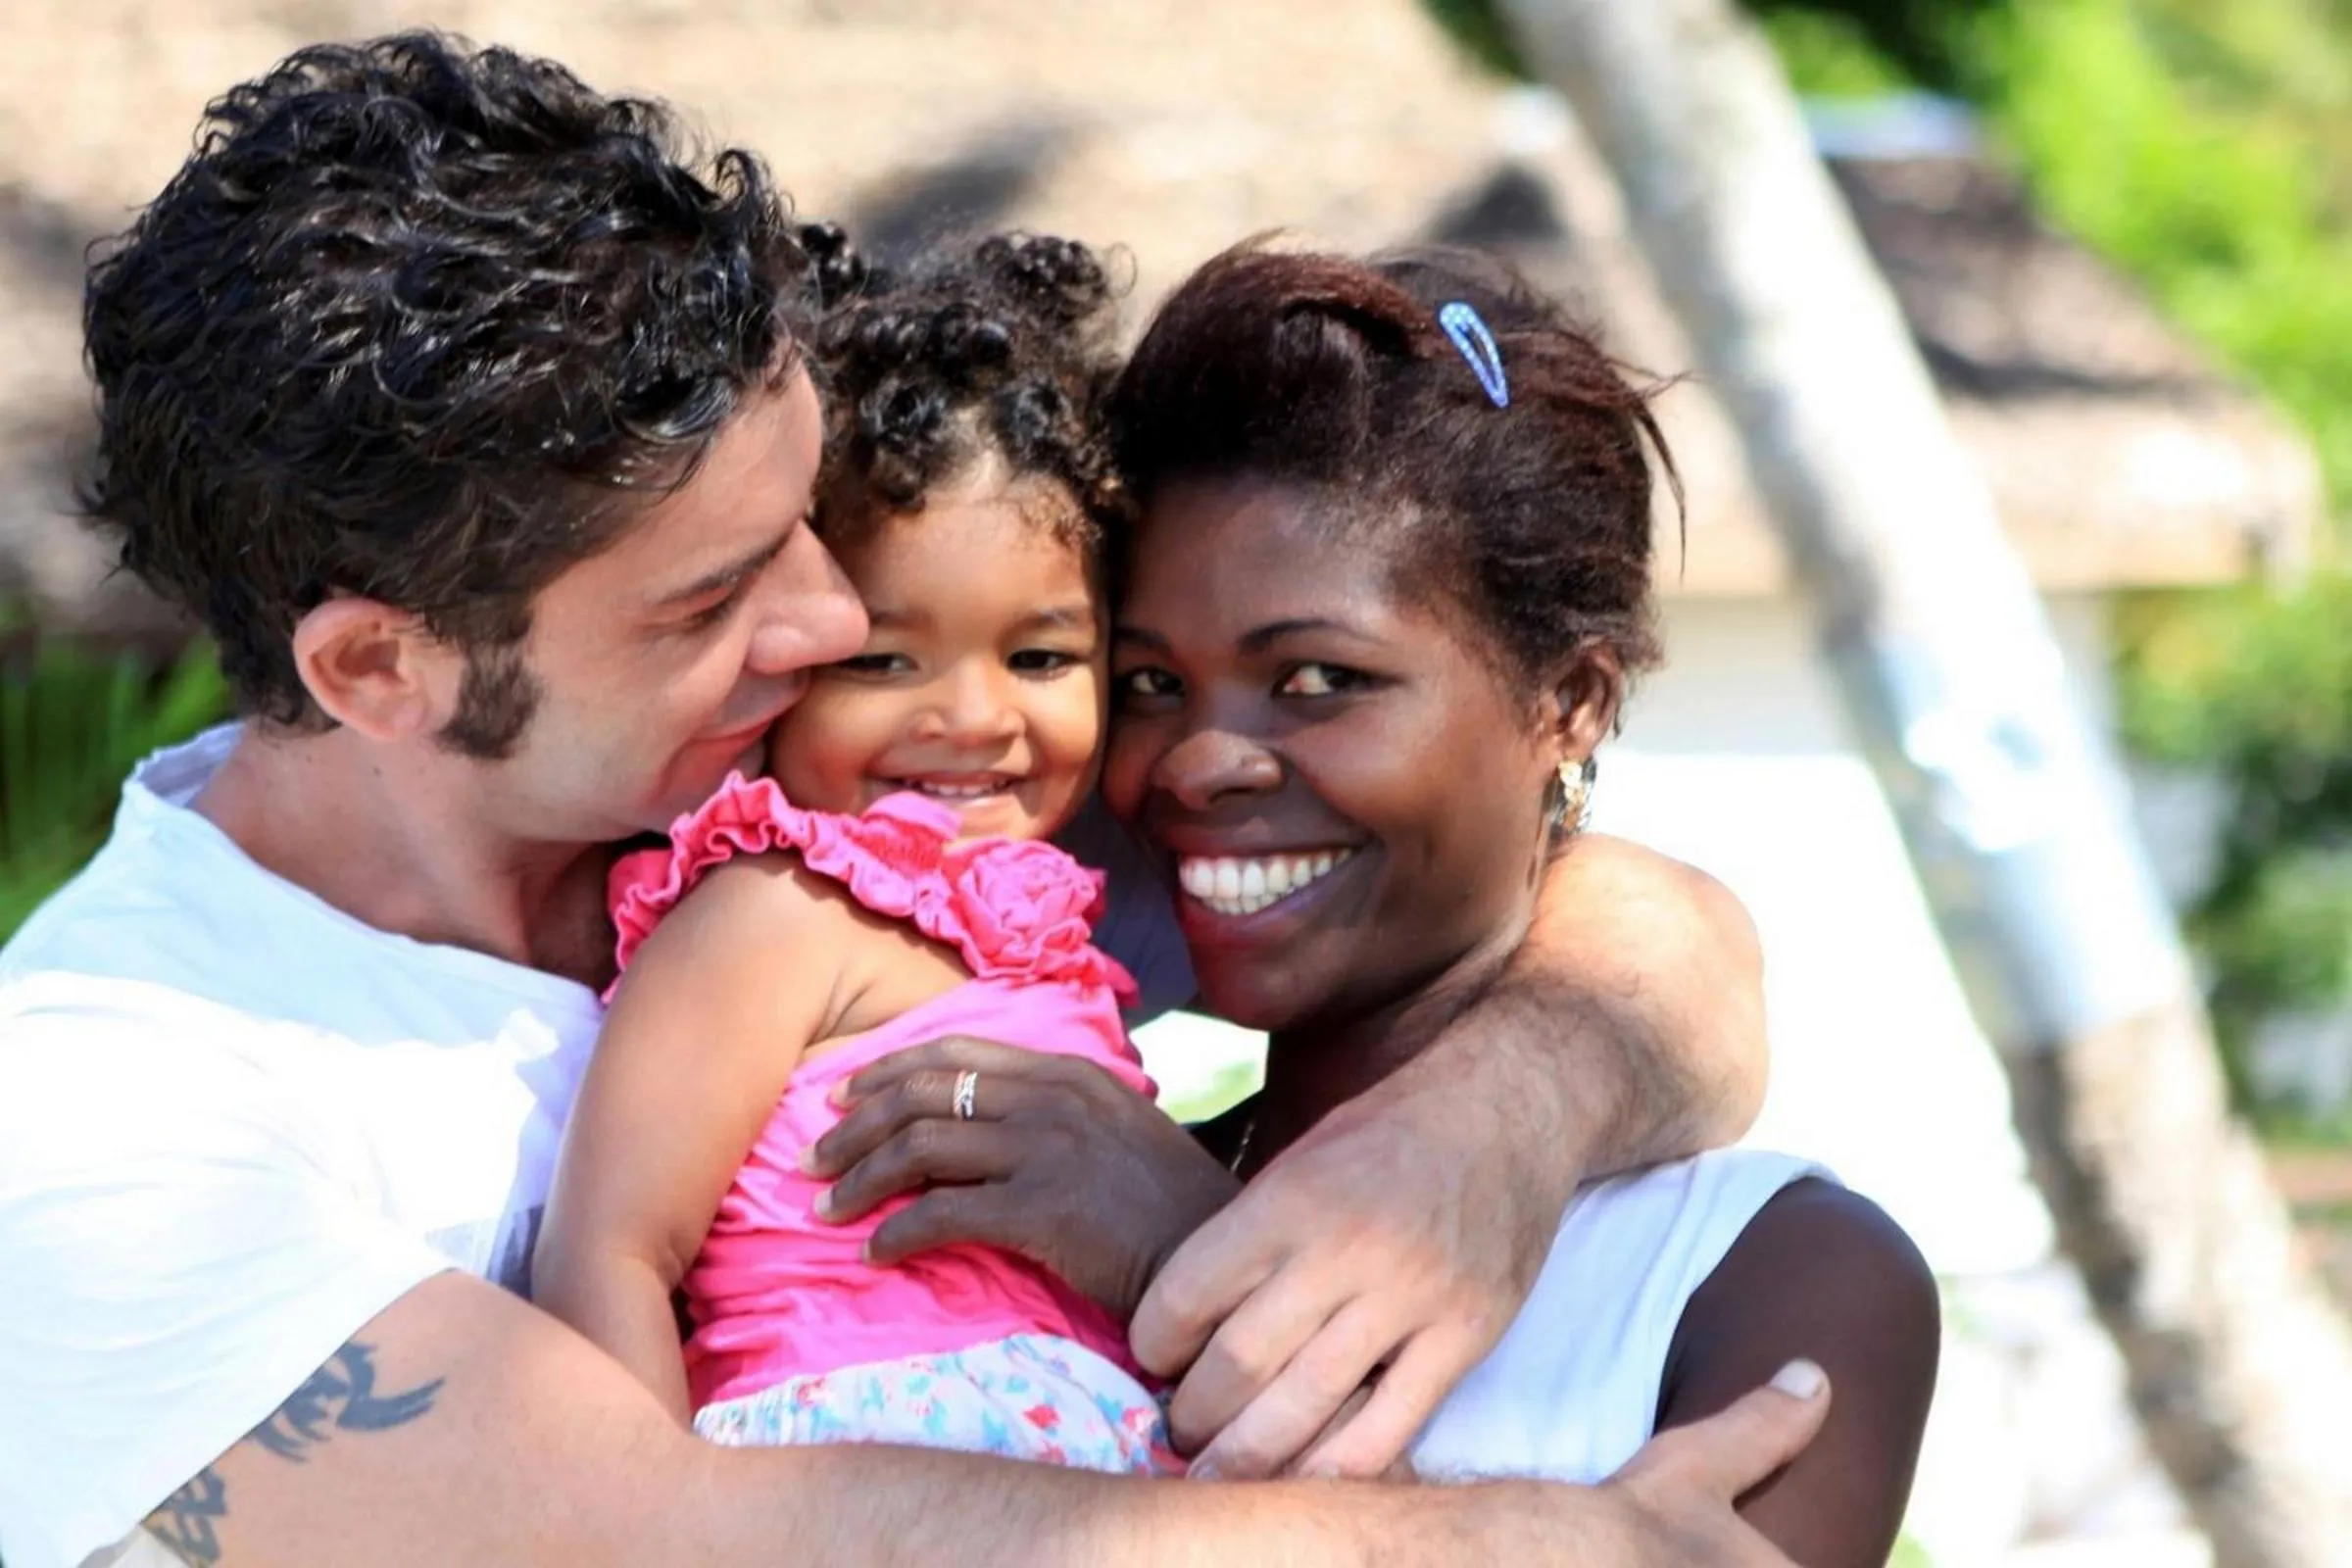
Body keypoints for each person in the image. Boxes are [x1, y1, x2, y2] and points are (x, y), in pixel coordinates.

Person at [0, 33, 1810, 1568]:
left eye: (806, 520)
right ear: (380, 672)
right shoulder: (107, 1127)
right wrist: (1518, 1541)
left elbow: (1652, 932)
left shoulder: (814, 793)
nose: (828, 619)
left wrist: (1482, 1135)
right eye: (706, 599)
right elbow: (668, 1538)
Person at [807, 243, 1940, 1568]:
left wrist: (1191, 1259)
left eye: (1318, 681)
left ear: (1568, 701)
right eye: (1155, 684)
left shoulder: (1774, 1278)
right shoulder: (1050, 1155)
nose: (1199, 759)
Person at [532, 233, 1199, 1472]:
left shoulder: (1053, 941)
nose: (974, 719)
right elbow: (611, 1249)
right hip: (832, 1487)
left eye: (1041, 658)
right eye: (883, 660)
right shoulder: (774, 910)